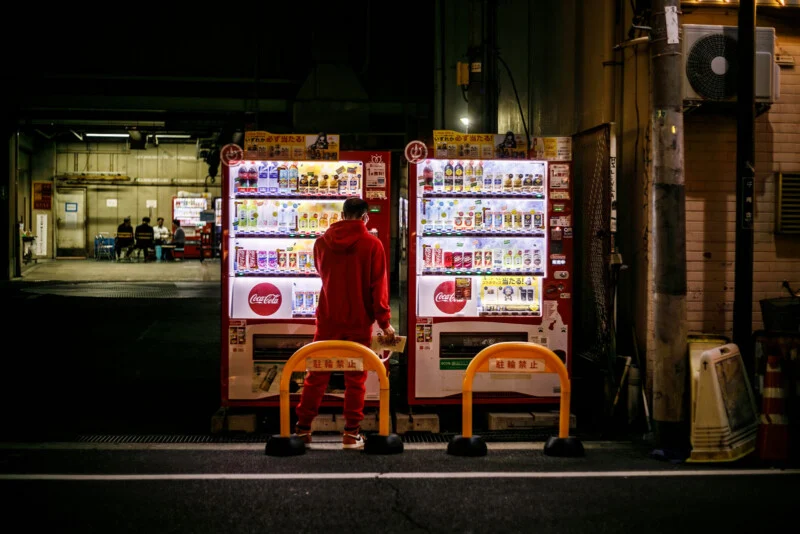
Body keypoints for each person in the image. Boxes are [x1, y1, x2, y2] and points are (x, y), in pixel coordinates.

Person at [295, 197, 395, 450]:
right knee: (355, 380)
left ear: (342, 214)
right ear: (365, 217)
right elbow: (378, 288)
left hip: (327, 320)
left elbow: (322, 273)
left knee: (316, 375)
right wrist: (385, 323)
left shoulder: (321, 243)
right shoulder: (373, 245)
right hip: (359, 322)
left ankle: (303, 429)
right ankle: (351, 434)